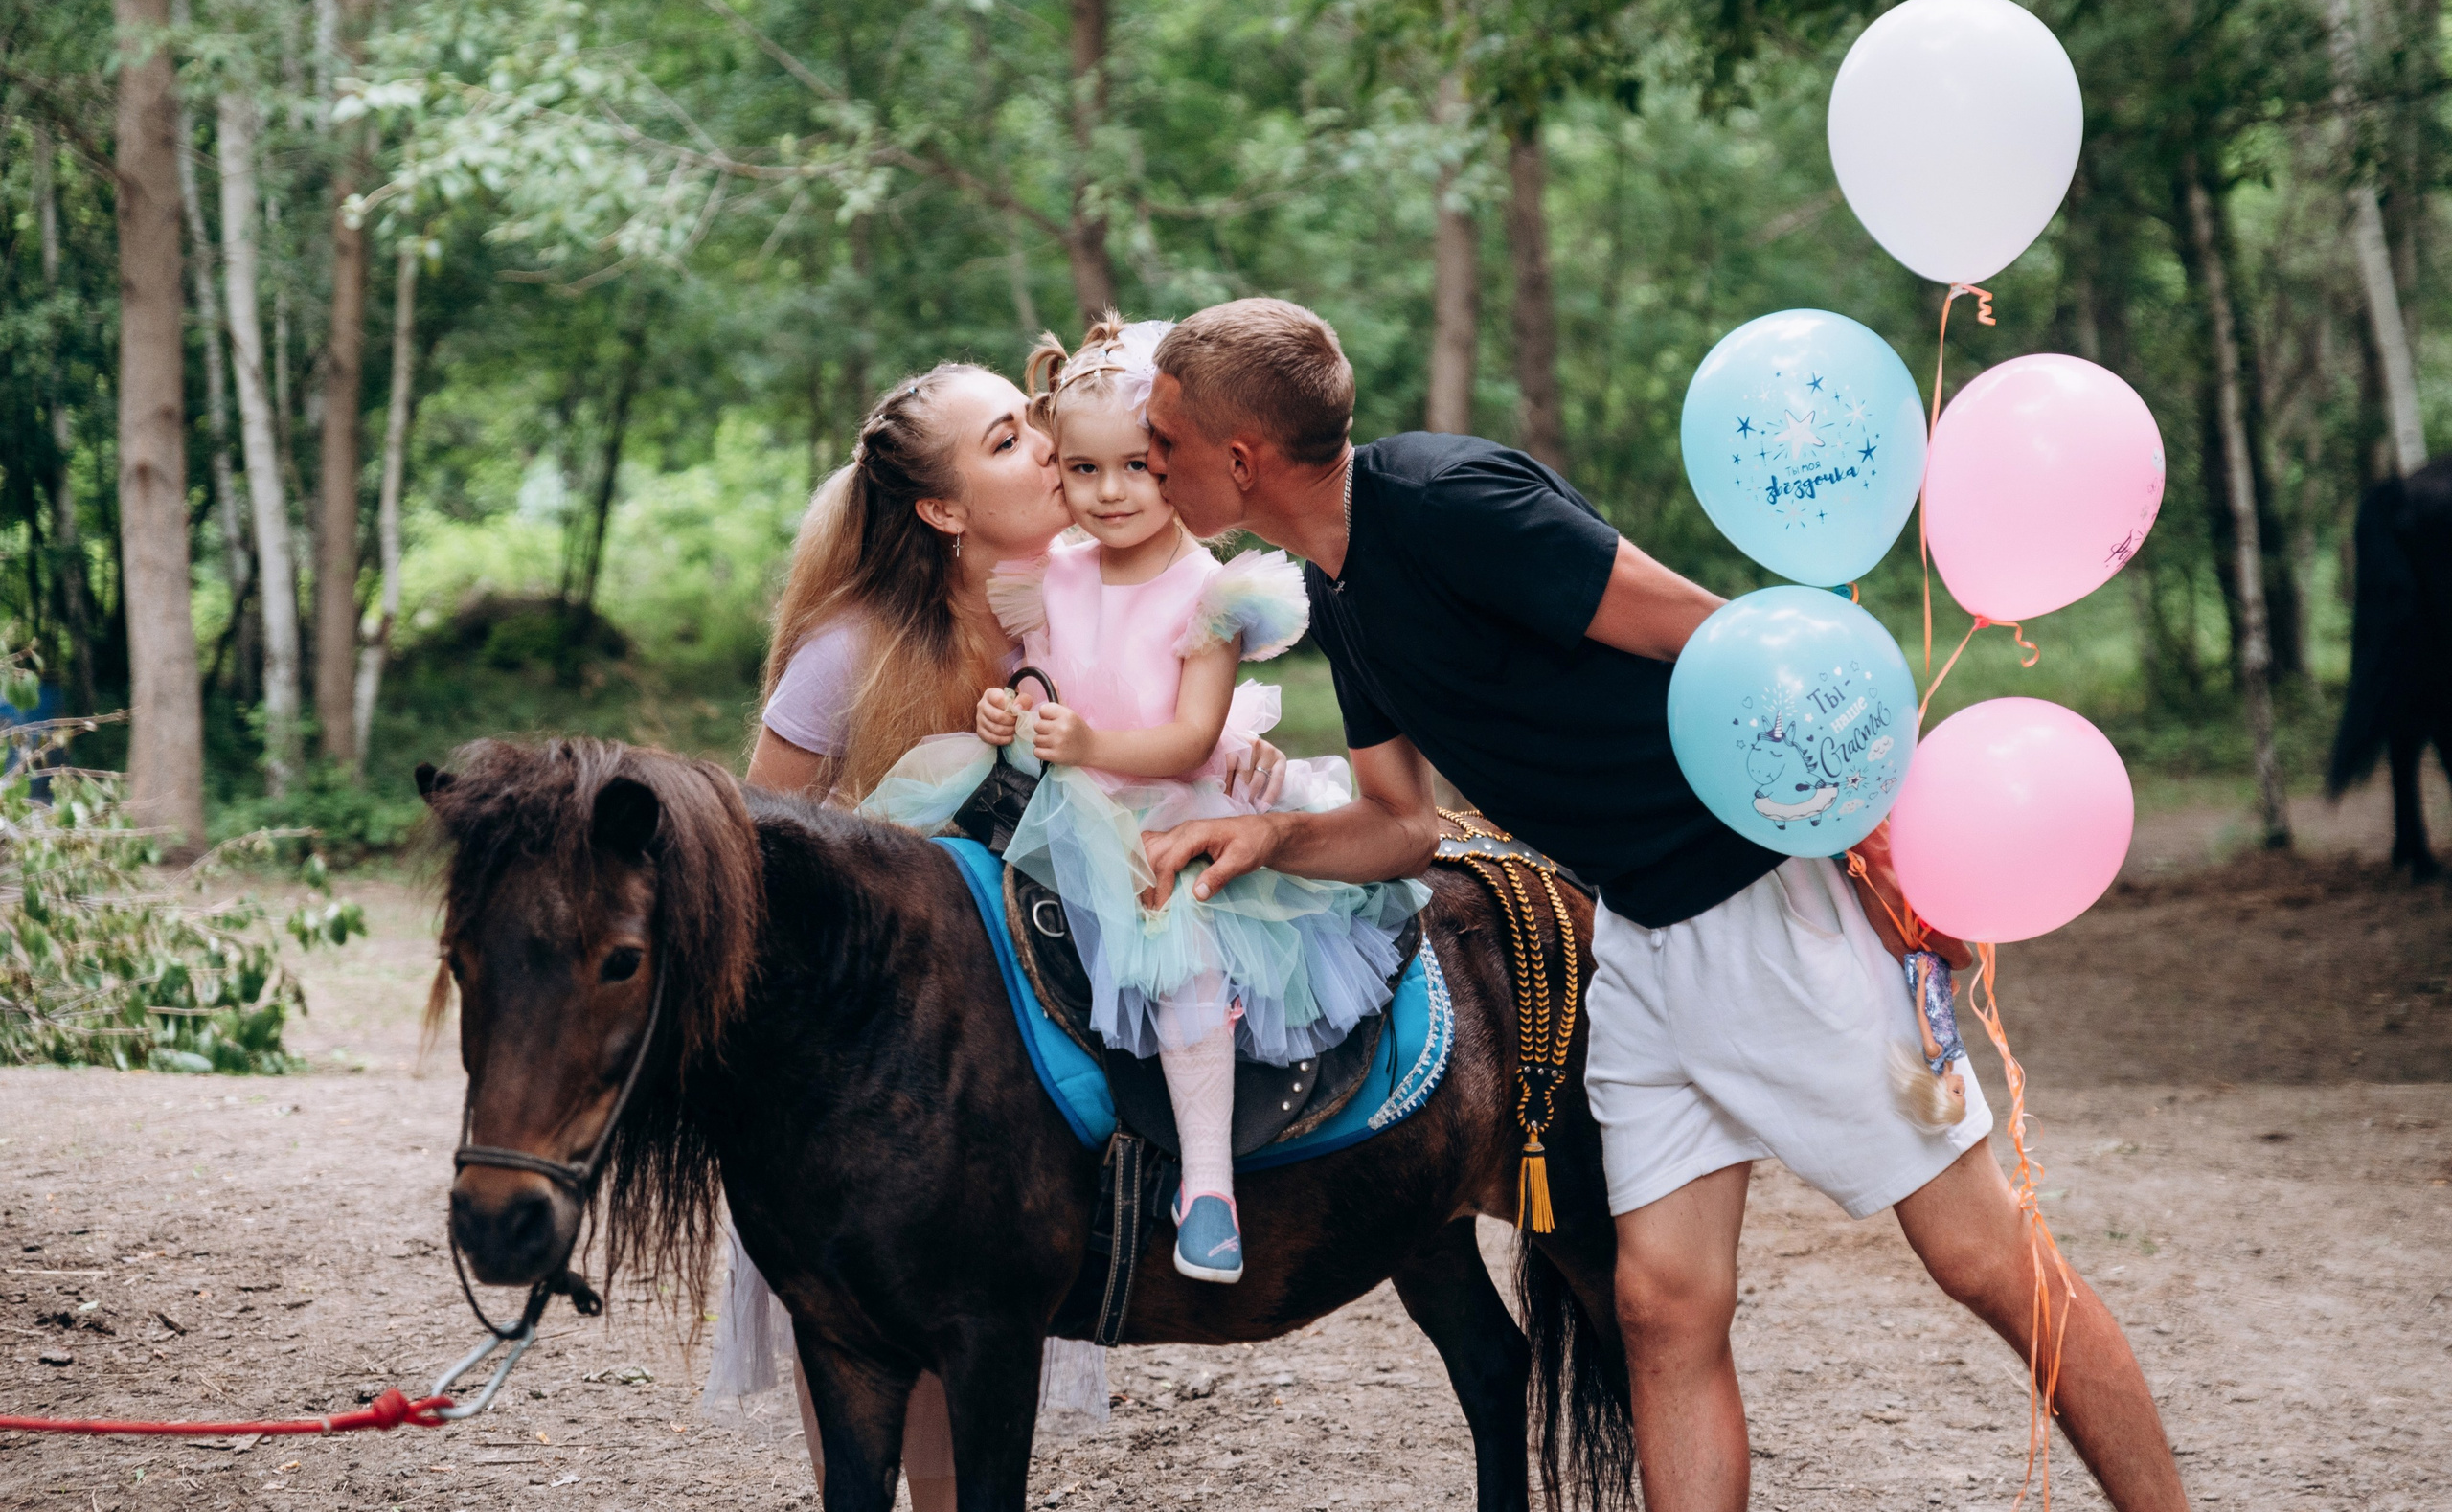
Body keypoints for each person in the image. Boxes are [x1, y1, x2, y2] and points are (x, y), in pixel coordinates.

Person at [1133, 298, 2192, 1512]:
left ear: (1240, 459)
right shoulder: (1338, 590)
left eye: (1162, 441)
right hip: (1632, 932)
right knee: (1660, 1302)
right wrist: (1271, 834)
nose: (1147, 462)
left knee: (1978, 1254)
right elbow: (1401, 824)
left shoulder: (1449, 502)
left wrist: (1873, 831)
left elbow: (1714, 632)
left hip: (1760, 903)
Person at [708, 359, 1289, 1503]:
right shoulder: (854, 652)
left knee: (972, 1349)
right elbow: (751, 853)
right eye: (1010, 440)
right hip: (874, 1063)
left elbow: (1154, 703)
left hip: (1005, 1049)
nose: (1048, 448)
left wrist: (1233, 745)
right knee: (879, 1359)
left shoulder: (1069, 594)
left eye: (1035, 425)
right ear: (944, 508)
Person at [865, 316, 1423, 1283]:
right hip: (1060, 804)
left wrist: (1088, 743)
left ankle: (1207, 1184)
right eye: (1083, 470)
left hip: (1167, 803)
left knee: (1179, 954)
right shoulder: (1046, 575)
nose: (1111, 492)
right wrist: (1010, 711)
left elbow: (1190, 739)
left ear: (1171, 462)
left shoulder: (1209, 593)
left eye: (1135, 467)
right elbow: (1042, 681)